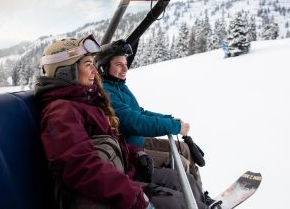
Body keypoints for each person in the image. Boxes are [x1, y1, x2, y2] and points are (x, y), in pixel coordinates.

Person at [34, 35, 217, 209]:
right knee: (178, 201)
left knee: (184, 182)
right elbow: (81, 168)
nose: (94, 71)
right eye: (88, 64)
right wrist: (134, 196)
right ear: (67, 72)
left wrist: (133, 153)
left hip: (121, 174)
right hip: (105, 193)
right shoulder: (61, 112)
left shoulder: (83, 100)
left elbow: (113, 137)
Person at [94, 39, 217, 205]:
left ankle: (200, 196)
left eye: (125, 63)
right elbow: (135, 122)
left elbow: (140, 112)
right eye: (118, 64)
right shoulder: (107, 92)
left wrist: (169, 119)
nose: (125, 69)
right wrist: (174, 127)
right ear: (103, 67)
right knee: (181, 162)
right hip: (133, 148)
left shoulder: (119, 86)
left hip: (139, 140)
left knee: (186, 149)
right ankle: (192, 202)